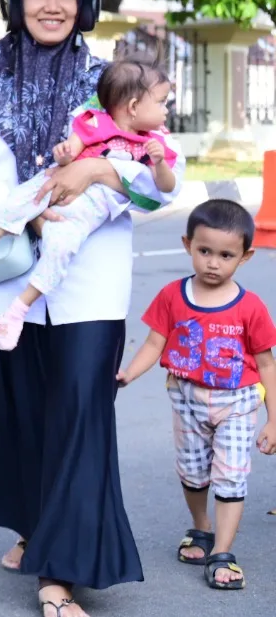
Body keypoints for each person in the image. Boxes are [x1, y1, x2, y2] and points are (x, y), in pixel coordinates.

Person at [0, 0, 181, 617]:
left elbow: (162, 182)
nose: (52, 5)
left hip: (88, 290)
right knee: (15, 424)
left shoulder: (114, 84)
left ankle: (59, 575)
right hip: (1, 286)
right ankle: (35, 528)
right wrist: (22, 207)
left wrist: (97, 172)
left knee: (81, 420)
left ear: (85, 1)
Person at [0, 58, 178, 350]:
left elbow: (166, 190)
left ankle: (18, 309)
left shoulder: (151, 135)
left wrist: (100, 169)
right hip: (6, 263)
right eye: (162, 102)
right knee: (14, 204)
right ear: (134, 106)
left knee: (60, 253)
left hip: (86, 262)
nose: (166, 109)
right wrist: (60, 163)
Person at [116, 199, 276, 591]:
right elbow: (154, 343)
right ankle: (201, 528)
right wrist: (127, 374)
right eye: (204, 251)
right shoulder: (173, 295)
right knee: (192, 472)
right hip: (187, 399)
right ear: (188, 245)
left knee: (231, 475)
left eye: (226, 255)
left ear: (245, 256)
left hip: (237, 402)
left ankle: (223, 552)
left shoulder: (250, 307)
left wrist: (274, 419)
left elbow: (267, 364)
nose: (213, 263)